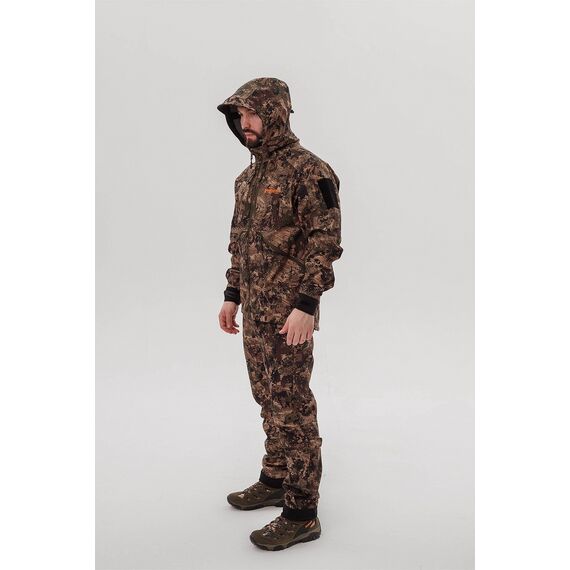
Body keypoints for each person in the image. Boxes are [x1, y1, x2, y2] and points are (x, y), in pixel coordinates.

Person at [217, 77, 343, 551]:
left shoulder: (309, 172)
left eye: (251, 113)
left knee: (292, 406)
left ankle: (302, 511)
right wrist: (232, 293)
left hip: (290, 314)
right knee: (266, 396)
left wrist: (307, 304)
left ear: (275, 113)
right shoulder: (247, 179)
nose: (243, 123)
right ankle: (275, 477)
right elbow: (240, 242)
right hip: (255, 312)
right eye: (239, 116)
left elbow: (324, 244)